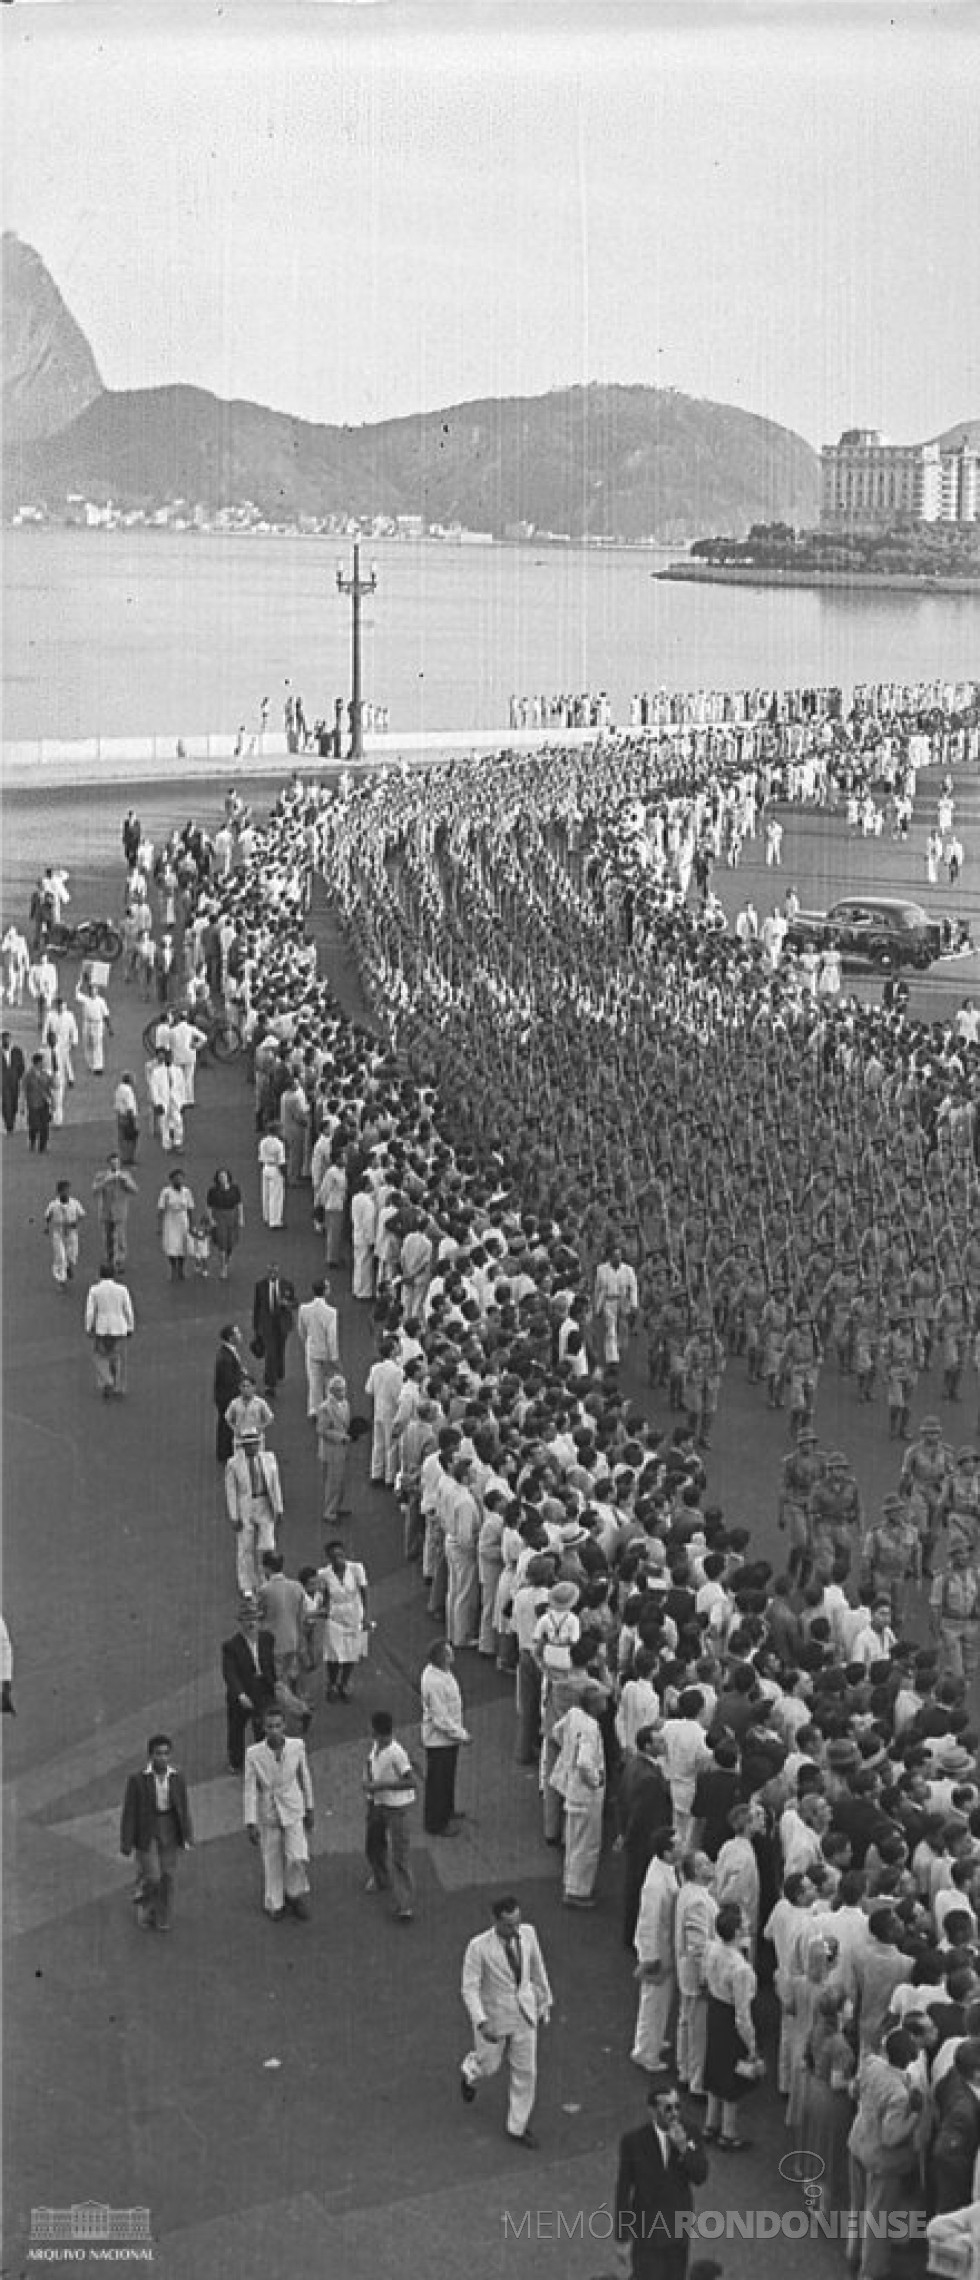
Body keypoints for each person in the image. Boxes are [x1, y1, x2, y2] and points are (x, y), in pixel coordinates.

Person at [459, 1896, 553, 2148]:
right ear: (495, 1921)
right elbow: (470, 1988)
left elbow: (537, 1968)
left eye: (517, 1923)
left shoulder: (528, 1934)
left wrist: (544, 2001)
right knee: (489, 2066)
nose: (515, 1930)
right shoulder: (478, 1948)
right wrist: (481, 2021)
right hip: (495, 2017)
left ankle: (517, 2126)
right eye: (509, 1925)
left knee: (526, 2071)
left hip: (525, 2013)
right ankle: (471, 2071)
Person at [614, 2074, 709, 2280]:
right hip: (647, 2230)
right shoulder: (634, 2142)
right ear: (652, 2110)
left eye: (677, 2107)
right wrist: (622, 2238)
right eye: (668, 2108)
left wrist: (684, 2148)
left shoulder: (690, 2132)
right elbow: (623, 2189)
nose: (674, 2113)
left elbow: (700, 2176)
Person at [243, 1706, 314, 1920]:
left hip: (293, 1806)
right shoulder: (253, 1753)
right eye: (269, 1726)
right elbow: (249, 1789)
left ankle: (294, 1893)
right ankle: (275, 1902)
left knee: (298, 1856)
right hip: (269, 1808)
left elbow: (305, 1776)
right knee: (272, 1857)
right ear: (263, 1728)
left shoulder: (297, 1746)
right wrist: (250, 1821)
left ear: (284, 1726)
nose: (274, 1731)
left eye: (278, 1726)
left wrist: (310, 1807)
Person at [119, 1733, 194, 1933]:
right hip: (147, 1828)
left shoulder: (177, 1777)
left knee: (167, 1875)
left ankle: (162, 1916)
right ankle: (144, 1896)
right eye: (158, 1754)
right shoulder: (137, 1780)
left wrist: (187, 1835)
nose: (163, 1758)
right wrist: (126, 1842)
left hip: (169, 1826)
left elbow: (183, 1808)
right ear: (150, 1755)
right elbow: (130, 1811)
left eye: (166, 1754)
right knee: (153, 1875)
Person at [702, 1902, 761, 2151]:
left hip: (715, 2010)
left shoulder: (711, 1949)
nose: (747, 1925)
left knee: (715, 2065)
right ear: (737, 1932)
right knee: (732, 2076)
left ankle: (710, 2123)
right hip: (730, 2019)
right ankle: (728, 2131)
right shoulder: (741, 1969)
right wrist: (752, 2043)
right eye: (743, 1924)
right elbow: (742, 2014)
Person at [632, 1827, 681, 2071]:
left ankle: (652, 2040)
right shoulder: (655, 1884)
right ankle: (646, 2052)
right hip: (657, 1950)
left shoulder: (665, 1870)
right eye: (677, 1845)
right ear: (667, 1852)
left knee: (660, 2000)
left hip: (664, 1945)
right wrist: (651, 1958)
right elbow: (649, 1921)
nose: (682, 1847)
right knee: (653, 2001)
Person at [363, 1708, 417, 1920]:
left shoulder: (397, 1752)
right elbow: (370, 1763)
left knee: (400, 1854)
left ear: (376, 1731)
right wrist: (367, 1781)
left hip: (396, 1808)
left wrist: (381, 1785)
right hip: (376, 1804)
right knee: (373, 1844)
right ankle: (380, 1877)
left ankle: (405, 1903)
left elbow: (410, 1781)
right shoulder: (376, 1747)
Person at [420, 1640, 471, 1835]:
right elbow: (440, 1718)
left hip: (448, 1737)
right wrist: (461, 1734)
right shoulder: (434, 1682)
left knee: (447, 1777)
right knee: (438, 1782)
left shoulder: (441, 1673)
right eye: (449, 1654)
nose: (452, 1656)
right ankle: (436, 1822)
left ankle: (447, 1810)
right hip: (439, 1739)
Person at [221, 1598, 277, 1772]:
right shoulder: (231, 1646)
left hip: (263, 1688)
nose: (251, 1623)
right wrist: (240, 1694)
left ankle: (263, 1760)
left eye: (254, 1619)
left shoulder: (267, 1638)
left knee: (264, 1725)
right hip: (244, 1691)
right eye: (247, 1620)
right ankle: (236, 1761)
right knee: (237, 1728)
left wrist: (276, 1683)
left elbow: (271, 1662)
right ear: (241, 1622)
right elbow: (230, 1673)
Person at [225, 1431, 284, 1596]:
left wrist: (279, 1508)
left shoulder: (269, 1458)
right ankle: (247, 1585)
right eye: (249, 1444)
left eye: (255, 1443)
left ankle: (265, 1579)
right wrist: (234, 1516)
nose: (252, 1447)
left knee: (267, 1545)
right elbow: (231, 1491)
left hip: (265, 1502)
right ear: (242, 1446)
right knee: (246, 1546)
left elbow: (275, 1485)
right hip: (246, 1505)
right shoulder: (233, 1464)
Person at [316, 1540, 369, 1701]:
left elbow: (364, 1592)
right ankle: (332, 1683)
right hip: (335, 1616)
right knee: (333, 1653)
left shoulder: (356, 1569)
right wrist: (323, 1609)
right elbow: (325, 1596)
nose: (338, 1559)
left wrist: (365, 1616)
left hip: (354, 1614)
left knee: (351, 1653)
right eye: (334, 1557)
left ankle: (344, 1683)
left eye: (340, 1555)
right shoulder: (324, 1574)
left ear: (345, 1554)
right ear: (329, 1558)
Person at [84, 1263, 135, 1397]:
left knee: (101, 1356)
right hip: (119, 1326)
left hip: (102, 1327)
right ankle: (118, 1385)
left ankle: (107, 1380)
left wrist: (89, 1327)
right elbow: (128, 1310)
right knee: (117, 1356)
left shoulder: (95, 1290)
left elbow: (90, 1311)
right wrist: (130, 1326)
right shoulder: (122, 1289)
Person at [297, 1278, 341, 1419]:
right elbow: (332, 1337)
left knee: (314, 1380)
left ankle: (315, 1409)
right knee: (329, 1381)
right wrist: (334, 1357)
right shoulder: (331, 1312)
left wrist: (308, 1342)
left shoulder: (304, 1309)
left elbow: (301, 1330)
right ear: (325, 1291)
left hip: (312, 1349)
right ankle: (329, 1409)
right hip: (326, 1352)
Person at [252, 1264, 295, 1398]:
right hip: (267, 1324)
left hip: (282, 1323)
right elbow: (257, 1306)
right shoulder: (260, 1286)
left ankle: (279, 1372)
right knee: (270, 1353)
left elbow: (295, 1301)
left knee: (280, 1350)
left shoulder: (287, 1285)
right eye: (270, 1272)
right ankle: (270, 1383)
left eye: (275, 1272)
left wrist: (288, 1304)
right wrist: (256, 1327)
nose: (272, 1274)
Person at [316, 1373, 351, 1527]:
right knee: (332, 1482)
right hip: (331, 1450)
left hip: (342, 1449)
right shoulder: (325, 1408)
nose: (343, 1393)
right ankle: (329, 1512)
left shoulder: (345, 1404)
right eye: (340, 1390)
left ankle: (337, 1506)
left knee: (340, 1481)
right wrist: (340, 1437)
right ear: (333, 1391)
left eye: (344, 1389)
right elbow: (322, 1430)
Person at [92, 1154, 138, 1271]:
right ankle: (109, 1258)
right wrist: (106, 1181)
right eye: (113, 1163)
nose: (115, 1165)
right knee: (108, 1237)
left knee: (120, 1237)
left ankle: (119, 1261)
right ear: (109, 1164)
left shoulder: (125, 1175)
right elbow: (95, 1191)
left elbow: (134, 1190)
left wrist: (125, 1182)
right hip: (106, 1211)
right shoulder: (101, 1175)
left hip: (120, 1212)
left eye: (117, 1163)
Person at [43, 1178, 85, 1289]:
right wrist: (47, 1227)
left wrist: (76, 1223)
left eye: (67, 1190)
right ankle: (61, 1281)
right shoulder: (53, 1205)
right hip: (58, 1232)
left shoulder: (75, 1203)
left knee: (72, 1254)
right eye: (63, 1191)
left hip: (71, 1232)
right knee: (60, 1257)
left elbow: (81, 1215)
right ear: (58, 1192)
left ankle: (69, 1266)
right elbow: (48, 1216)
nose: (66, 1193)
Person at [213, 1324, 245, 1463]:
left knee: (226, 1424)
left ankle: (225, 1451)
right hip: (227, 1397)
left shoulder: (228, 1352)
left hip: (224, 1395)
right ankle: (225, 1452)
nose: (240, 1336)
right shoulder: (225, 1358)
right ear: (231, 1338)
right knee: (227, 1424)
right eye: (237, 1334)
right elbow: (228, 1380)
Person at [206, 1167, 245, 1281]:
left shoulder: (235, 1189)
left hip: (232, 1216)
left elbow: (239, 1204)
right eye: (220, 1177)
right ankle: (223, 1267)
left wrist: (241, 1217)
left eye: (224, 1176)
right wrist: (211, 1219)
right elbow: (209, 1206)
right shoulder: (213, 1191)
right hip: (219, 1216)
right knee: (222, 1241)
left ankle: (227, 1261)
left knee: (231, 1242)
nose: (222, 1179)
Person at [157, 1167, 194, 1282]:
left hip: (182, 1219)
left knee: (182, 1245)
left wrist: (191, 1224)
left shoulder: (186, 1191)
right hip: (170, 1219)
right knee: (171, 1245)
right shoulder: (166, 1192)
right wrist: (159, 1225)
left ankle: (181, 1269)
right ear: (171, 1180)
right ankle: (173, 1268)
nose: (179, 1181)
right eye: (176, 1178)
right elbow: (161, 1208)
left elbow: (190, 1208)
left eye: (181, 1178)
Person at [75, 973, 111, 1074]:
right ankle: (90, 1064)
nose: (92, 991)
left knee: (97, 1044)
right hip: (87, 1023)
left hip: (97, 1024)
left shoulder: (101, 1001)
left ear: (97, 990)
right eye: (90, 989)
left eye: (94, 989)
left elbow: (106, 1014)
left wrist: (109, 1027)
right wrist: (81, 981)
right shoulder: (85, 999)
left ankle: (98, 1067)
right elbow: (76, 993)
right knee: (87, 1044)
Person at [23, 1052, 54, 1152]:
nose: (44, 1064)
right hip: (33, 1105)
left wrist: (52, 1102)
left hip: (44, 1104)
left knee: (45, 1126)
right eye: (42, 1062)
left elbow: (51, 1087)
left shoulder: (45, 1074)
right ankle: (32, 1141)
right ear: (37, 1063)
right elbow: (24, 1091)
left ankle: (42, 1147)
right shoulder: (28, 1076)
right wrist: (22, 1106)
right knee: (34, 1126)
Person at [258, 1128, 286, 1228]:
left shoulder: (263, 1141)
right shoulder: (279, 1144)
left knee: (265, 1193)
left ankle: (267, 1216)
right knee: (276, 1196)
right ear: (277, 1131)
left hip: (265, 1167)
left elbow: (260, 1158)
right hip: (275, 1169)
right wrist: (284, 1175)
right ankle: (275, 1221)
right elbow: (281, 1162)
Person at [113, 1072, 141, 1165]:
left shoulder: (119, 1088)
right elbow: (130, 1107)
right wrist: (133, 1122)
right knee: (131, 1138)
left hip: (120, 1116)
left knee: (122, 1138)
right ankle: (129, 1158)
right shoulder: (128, 1091)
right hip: (128, 1117)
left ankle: (123, 1157)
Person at [1, 1032, 25, 1134]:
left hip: (15, 1082)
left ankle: (12, 1120)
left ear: (11, 1040)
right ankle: (8, 1125)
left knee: (14, 1102)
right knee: (6, 1102)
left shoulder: (17, 1051)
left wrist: (17, 1076)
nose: (6, 1041)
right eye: (4, 1039)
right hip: (3, 1082)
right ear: (1, 1040)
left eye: (8, 1039)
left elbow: (21, 1067)